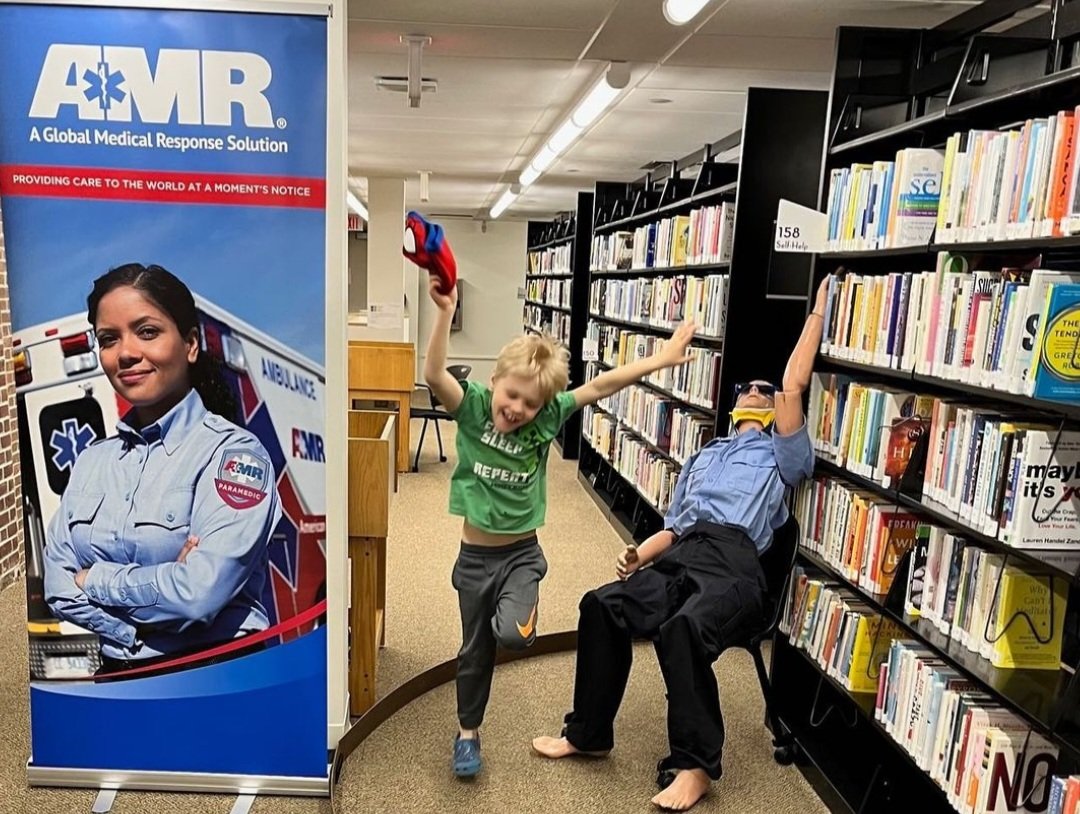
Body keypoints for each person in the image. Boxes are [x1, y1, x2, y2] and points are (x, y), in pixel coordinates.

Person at [532, 279, 830, 811]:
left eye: (765, 391)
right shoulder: (703, 456)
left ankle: (695, 766)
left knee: (683, 629)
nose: (757, 392)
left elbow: (792, 381)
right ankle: (588, 733)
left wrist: (818, 314)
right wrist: (637, 556)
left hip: (738, 565)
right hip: (684, 551)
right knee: (602, 606)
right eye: (749, 389)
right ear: (736, 404)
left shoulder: (781, 457)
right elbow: (675, 525)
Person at [424, 275, 697, 778]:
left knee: (511, 634)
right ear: (496, 381)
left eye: (530, 404)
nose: (517, 410)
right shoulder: (474, 408)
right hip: (472, 559)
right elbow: (435, 373)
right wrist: (444, 312)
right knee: (472, 650)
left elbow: (599, 386)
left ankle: (525, 602)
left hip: (521, 554)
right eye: (512, 396)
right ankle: (467, 734)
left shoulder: (545, 418)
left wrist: (659, 361)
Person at [43, 263, 282, 674]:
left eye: (147, 331)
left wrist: (94, 579)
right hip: (117, 675)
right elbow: (57, 588)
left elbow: (198, 593)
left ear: (190, 344)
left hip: (216, 676)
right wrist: (147, 604)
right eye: (108, 339)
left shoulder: (234, 455)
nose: (127, 352)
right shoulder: (91, 461)